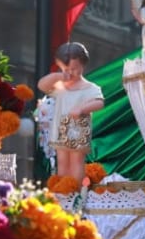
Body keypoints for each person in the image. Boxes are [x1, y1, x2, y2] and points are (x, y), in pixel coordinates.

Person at [37, 42, 105, 182]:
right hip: (61, 129)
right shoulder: (60, 86)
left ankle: (77, 190)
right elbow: (42, 85)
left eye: (74, 69)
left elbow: (99, 102)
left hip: (78, 130)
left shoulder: (89, 88)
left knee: (76, 161)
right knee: (62, 161)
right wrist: (57, 76)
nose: (70, 73)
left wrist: (82, 109)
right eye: (65, 69)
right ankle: (64, 189)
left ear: (83, 65)